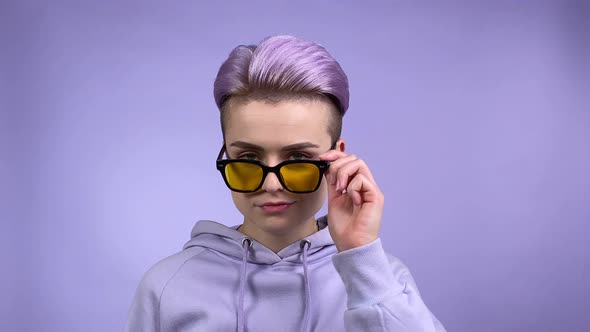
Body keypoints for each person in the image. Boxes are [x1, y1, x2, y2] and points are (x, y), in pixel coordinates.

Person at [125, 35, 446, 332]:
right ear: (225, 153)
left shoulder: (381, 275)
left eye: (296, 159)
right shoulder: (167, 285)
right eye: (249, 158)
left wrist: (360, 254)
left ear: (337, 158)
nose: (272, 184)